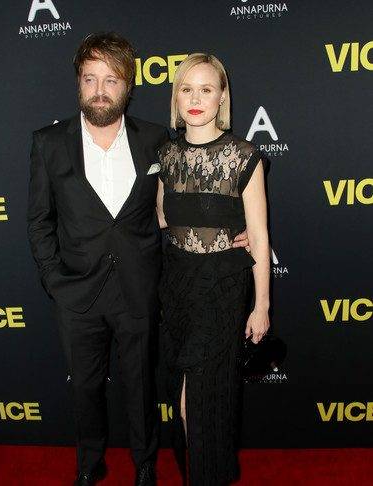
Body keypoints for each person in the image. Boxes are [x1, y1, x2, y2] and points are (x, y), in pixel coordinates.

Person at [27, 32, 249, 485]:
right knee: (85, 388)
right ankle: (89, 465)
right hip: (77, 294)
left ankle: (145, 464)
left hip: (139, 288)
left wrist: (231, 231)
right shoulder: (49, 143)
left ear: (128, 86)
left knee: (141, 387)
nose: (100, 90)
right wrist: (55, 281)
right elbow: (39, 221)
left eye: (111, 79)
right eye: (90, 79)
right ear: (78, 83)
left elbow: (182, 202)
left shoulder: (155, 140)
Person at [156, 53, 270, 485]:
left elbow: (259, 236)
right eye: (186, 89)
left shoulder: (243, 156)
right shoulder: (167, 156)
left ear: (222, 96)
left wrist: (262, 306)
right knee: (184, 398)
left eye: (206, 89)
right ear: (176, 97)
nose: (195, 99)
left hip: (221, 286)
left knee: (199, 401)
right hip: (176, 286)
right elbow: (163, 219)